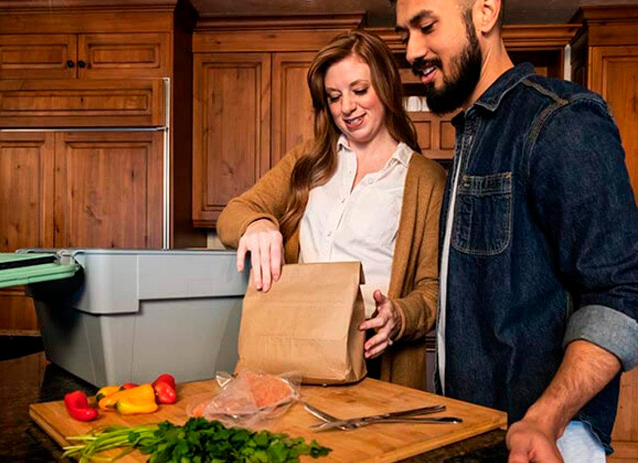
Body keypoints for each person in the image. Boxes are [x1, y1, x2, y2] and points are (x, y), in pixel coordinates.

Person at [394, 0, 638, 461]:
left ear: (485, 12)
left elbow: (621, 291)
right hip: (480, 436)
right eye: (405, 33)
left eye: (426, 27)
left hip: (547, 442)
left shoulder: (560, 121)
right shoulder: (471, 137)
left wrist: (545, 417)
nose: (412, 50)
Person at [216, 30, 446, 389]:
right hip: (292, 356)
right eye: (334, 96)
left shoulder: (426, 180)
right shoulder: (308, 161)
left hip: (374, 367)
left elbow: (432, 289)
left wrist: (399, 315)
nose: (347, 108)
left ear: (385, 86)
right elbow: (233, 214)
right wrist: (258, 222)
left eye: (359, 90)